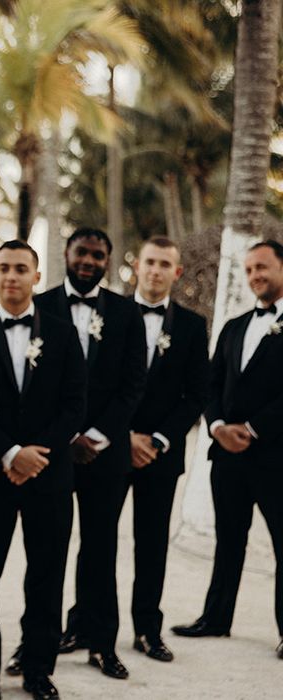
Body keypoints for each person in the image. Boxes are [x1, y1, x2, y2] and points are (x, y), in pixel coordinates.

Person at [0, 240, 86, 700]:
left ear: (37, 277)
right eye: (4, 268)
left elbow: (76, 405)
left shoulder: (62, 332)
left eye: (21, 268)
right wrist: (7, 452)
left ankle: (39, 669)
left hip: (49, 475)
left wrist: (36, 454)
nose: (12, 276)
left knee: (46, 576)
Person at [29, 228, 146, 681]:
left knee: (101, 548)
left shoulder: (126, 312)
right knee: (47, 555)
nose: (89, 261)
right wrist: (63, 438)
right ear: (67, 254)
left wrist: (94, 437)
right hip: (52, 453)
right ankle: (38, 644)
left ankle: (102, 643)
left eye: (98, 255)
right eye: (82, 252)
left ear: (108, 261)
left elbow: (133, 385)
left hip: (105, 453)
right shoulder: (41, 307)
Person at [172, 239, 283, 661]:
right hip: (228, 457)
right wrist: (217, 426)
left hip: (276, 456)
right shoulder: (235, 326)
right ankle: (216, 618)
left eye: (264, 268)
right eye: (250, 269)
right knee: (228, 540)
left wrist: (253, 429)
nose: (256, 276)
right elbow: (210, 384)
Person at [127, 237, 210, 662]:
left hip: (161, 453)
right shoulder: (112, 315)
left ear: (176, 273)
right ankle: (85, 624)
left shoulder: (193, 327)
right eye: (150, 262)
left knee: (152, 542)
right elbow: (92, 384)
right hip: (108, 448)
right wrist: (123, 436)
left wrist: (158, 440)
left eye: (165, 264)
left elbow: (196, 396)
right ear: (136, 267)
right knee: (96, 542)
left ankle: (147, 629)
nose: (156, 270)